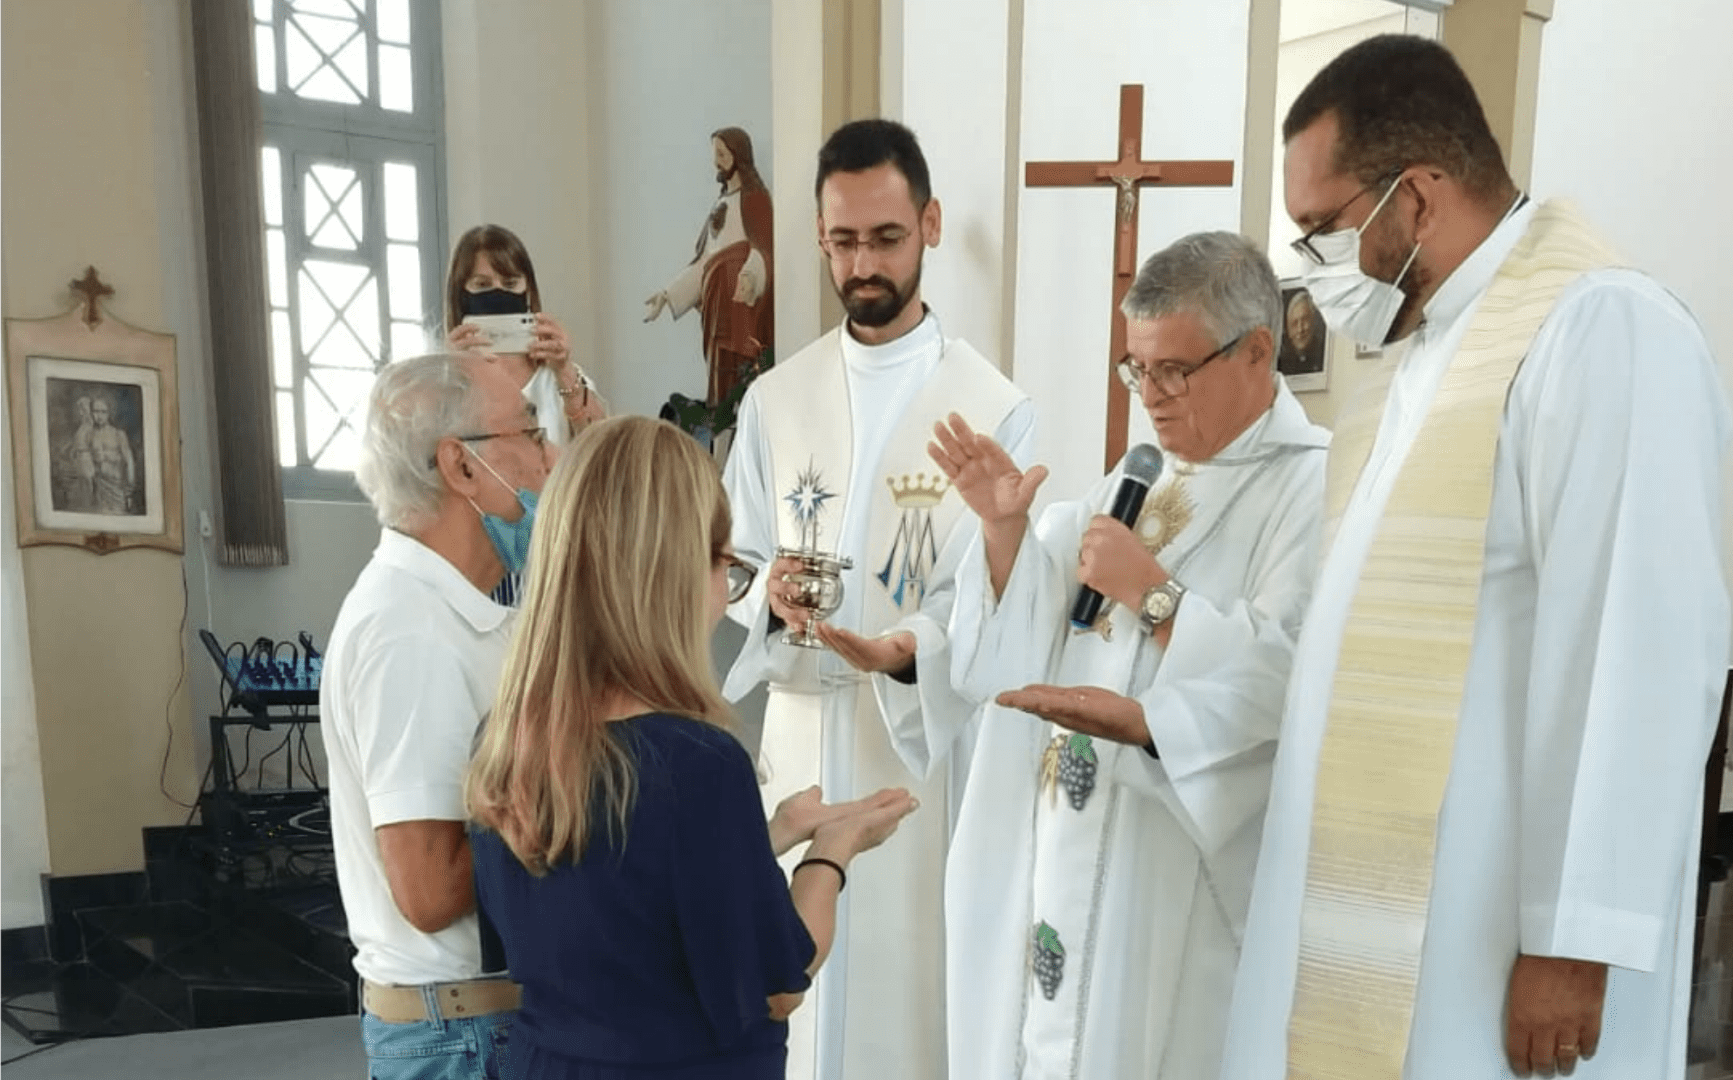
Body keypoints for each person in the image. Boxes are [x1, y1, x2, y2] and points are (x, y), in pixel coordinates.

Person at [1219, 36, 1730, 1080]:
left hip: (1495, 928)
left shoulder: (1599, 328)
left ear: (1416, 195)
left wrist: (1573, 936)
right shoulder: (1427, 352)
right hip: (1382, 912)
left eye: (1323, 228)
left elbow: (1636, 647)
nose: (1311, 269)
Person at [928, 231, 1328, 1080]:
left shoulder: (1312, 486)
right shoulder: (1136, 477)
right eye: (1135, 370)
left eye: (1173, 371)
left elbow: (1297, 677)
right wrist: (1003, 532)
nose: (1150, 396)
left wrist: (1154, 597)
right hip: (1065, 839)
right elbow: (1019, 644)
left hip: (1176, 872)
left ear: (1259, 351)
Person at [721, 117, 1034, 1080]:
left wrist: (902, 649)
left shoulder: (991, 405)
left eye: (886, 238)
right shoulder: (776, 398)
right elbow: (731, 555)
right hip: (795, 736)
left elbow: (987, 597)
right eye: (843, 241)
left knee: (900, 1000)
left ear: (930, 225)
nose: (864, 263)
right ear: (819, 237)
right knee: (785, 991)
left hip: (911, 743)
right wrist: (767, 592)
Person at [465, 416, 918, 1080]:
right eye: (725, 565)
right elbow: (777, 986)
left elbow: (615, 913)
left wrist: (770, 833)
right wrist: (830, 855)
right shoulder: (693, 762)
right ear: (673, 572)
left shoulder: (505, 737)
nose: (722, 592)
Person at [319, 351, 558, 1080]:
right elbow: (427, 893)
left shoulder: (461, 611)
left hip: (485, 1017)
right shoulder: (408, 631)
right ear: (461, 467)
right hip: (464, 1035)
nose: (550, 455)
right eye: (530, 430)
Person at [644, 127, 777, 411]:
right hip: (717, 307)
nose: (716, 162)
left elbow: (763, 247)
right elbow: (705, 260)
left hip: (741, 309)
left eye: (722, 154)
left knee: (743, 382)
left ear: (738, 157)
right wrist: (668, 295)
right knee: (720, 384)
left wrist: (751, 276)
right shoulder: (720, 204)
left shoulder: (755, 199)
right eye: (714, 154)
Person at [445, 223, 607, 447]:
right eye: (482, 284)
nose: (498, 292)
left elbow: (602, 453)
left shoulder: (558, 378)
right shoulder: (445, 383)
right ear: (461, 294)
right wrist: (448, 376)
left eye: (510, 283)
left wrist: (565, 371)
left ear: (528, 290)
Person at [1276, 290, 1326, 377]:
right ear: (1288, 329)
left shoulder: (1323, 354)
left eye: (1305, 319)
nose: (1300, 329)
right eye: (1294, 323)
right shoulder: (1281, 362)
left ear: (1313, 321)